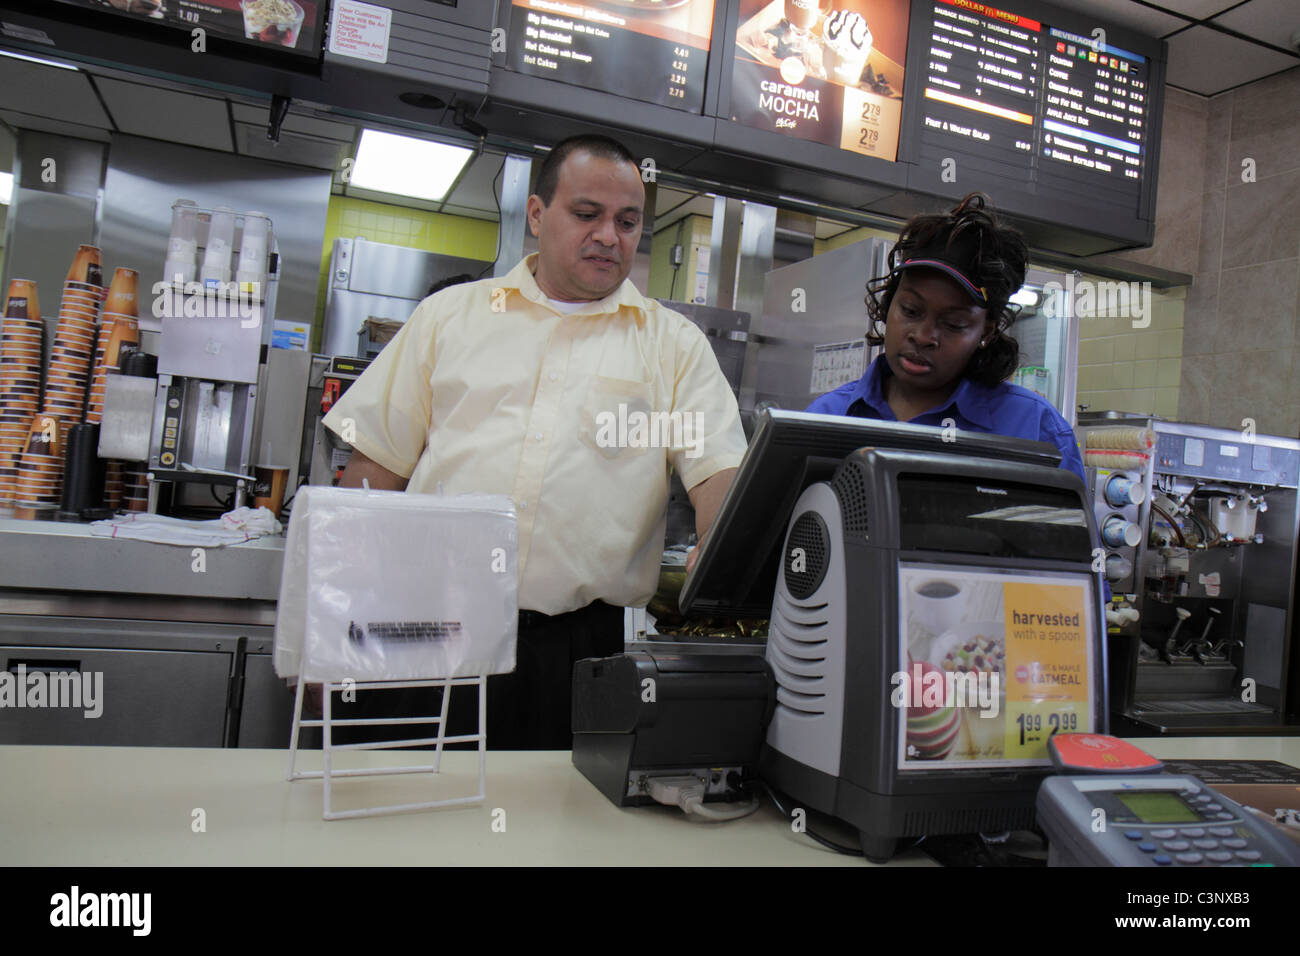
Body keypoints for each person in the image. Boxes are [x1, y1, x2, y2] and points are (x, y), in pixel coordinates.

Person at [316, 134, 746, 749]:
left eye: (627, 222)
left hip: (572, 653)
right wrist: (328, 613)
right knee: (394, 823)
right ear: (538, 215)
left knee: (549, 836)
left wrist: (719, 543)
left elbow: (717, 471)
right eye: (587, 213)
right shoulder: (451, 318)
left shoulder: (671, 345)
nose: (608, 236)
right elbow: (373, 469)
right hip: (420, 623)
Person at [806, 192, 1086, 485]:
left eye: (954, 324)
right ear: (889, 305)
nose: (924, 336)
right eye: (911, 310)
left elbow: (1066, 532)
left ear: (986, 332)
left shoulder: (1035, 430)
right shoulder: (829, 416)